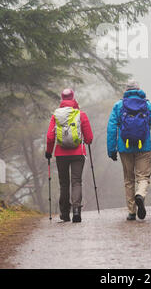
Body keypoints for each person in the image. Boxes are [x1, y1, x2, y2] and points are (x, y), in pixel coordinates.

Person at [107, 80, 151, 221]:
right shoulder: (147, 105)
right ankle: (140, 195)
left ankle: (132, 212)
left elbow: (112, 129)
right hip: (143, 147)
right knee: (143, 177)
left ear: (126, 90)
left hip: (124, 148)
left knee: (129, 180)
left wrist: (111, 150)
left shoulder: (119, 105)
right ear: (139, 89)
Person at [45, 88, 93, 223]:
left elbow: (50, 137)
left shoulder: (56, 115)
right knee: (76, 181)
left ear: (62, 98)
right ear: (73, 97)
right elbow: (89, 137)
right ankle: (77, 210)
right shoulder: (80, 114)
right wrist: (87, 141)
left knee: (64, 183)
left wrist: (48, 152)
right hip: (78, 153)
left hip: (61, 154)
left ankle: (65, 213)